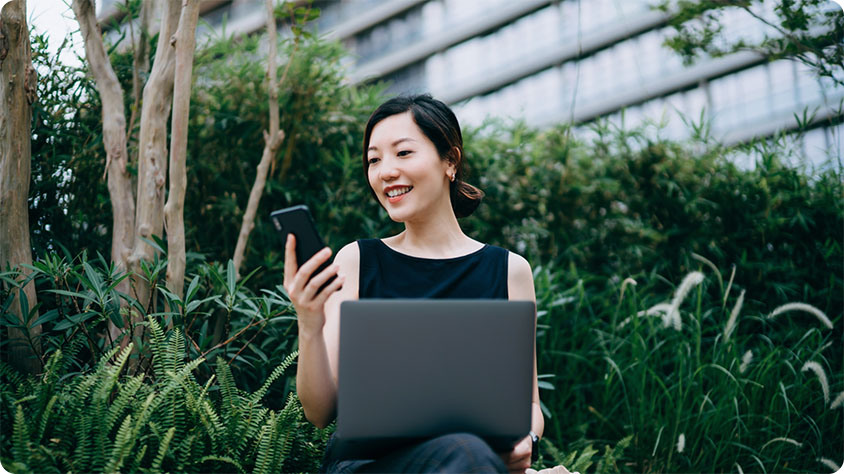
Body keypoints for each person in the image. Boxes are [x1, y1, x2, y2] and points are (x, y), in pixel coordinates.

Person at [284, 94, 545, 473]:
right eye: (374, 159)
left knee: (469, 453)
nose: (385, 171)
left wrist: (528, 441)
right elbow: (319, 411)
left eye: (403, 153)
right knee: (467, 453)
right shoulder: (357, 262)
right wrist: (309, 323)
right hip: (369, 466)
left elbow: (529, 406)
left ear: (450, 161)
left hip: (474, 460)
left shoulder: (510, 270)